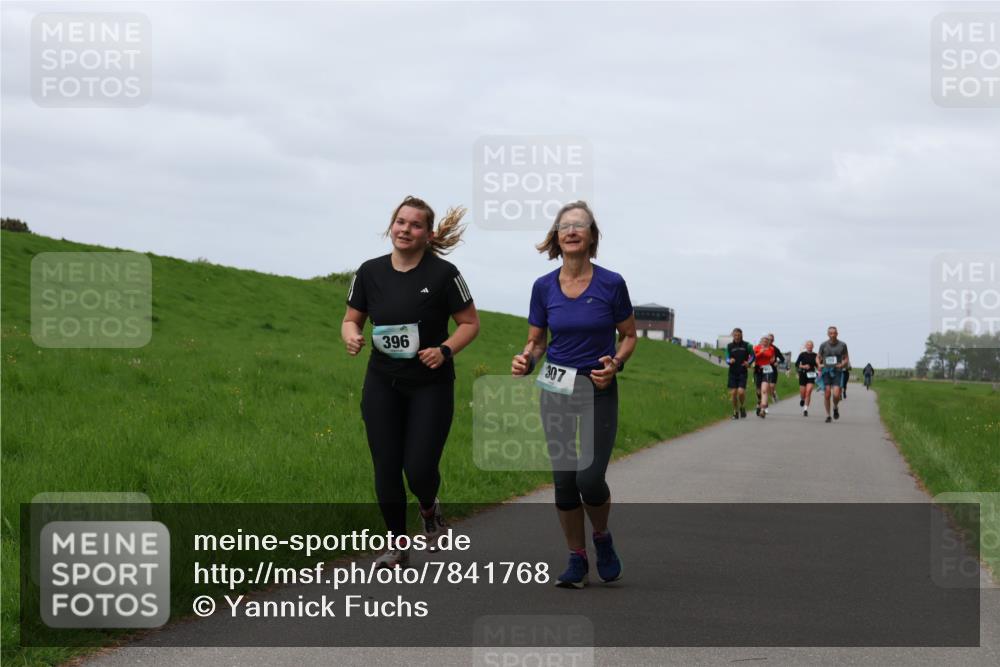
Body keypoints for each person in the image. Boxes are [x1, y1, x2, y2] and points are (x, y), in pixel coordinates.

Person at [342, 196, 480, 568]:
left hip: (429, 385)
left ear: (428, 233)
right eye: (400, 222)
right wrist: (351, 334)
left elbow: (470, 324)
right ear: (392, 226)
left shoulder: (443, 275)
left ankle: (429, 508)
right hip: (382, 381)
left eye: (415, 225)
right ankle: (396, 545)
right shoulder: (370, 272)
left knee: (419, 469)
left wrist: (445, 351)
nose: (405, 229)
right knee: (386, 466)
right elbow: (351, 318)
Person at [511, 201, 637, 589]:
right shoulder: (543, 287)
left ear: (591, 236)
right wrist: (526, 359)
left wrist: (614, 364)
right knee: (565, 481)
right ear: (556, 236)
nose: (571, 231)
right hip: (555, 385)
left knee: (590, 477)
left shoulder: (611, 283)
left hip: (597, 385)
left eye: (579, 225)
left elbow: (629, 335)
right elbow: (536, 341)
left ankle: (602, 537)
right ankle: (577, 558)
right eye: (564, 226)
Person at [818, 326, 850, 423]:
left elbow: (846, 358)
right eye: (830, 333)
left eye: (834, 333)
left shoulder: (843, 345)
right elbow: (818, 356)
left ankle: (835, 407)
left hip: (837, 371)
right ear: (828, 334)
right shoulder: (823, 345)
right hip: (826, 371)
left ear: (837, 334)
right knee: (827, 394)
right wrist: (819, 364)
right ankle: (828, 416)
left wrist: (843, 364)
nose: (832, 335)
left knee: (836, 394)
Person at [725, 328, 755, 419]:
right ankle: (735, 411)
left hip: (742, 372)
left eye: (738, 335)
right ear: (733, 335)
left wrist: (748, 363)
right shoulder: (729, 346)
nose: (737, 337)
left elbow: (753, 356)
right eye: (735, 335)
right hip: (733, 372)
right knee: (733, 393)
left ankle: (742, 407)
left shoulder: (747, 345)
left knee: (741, 392)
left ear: (741, 335)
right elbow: (726, 357)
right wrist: (730, 360)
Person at [753, 336, 778, 418]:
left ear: (768, 342)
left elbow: (772, 357)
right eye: (763, 340)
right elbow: (754, 357)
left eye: (766, 341)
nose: (765, 342)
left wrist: (773, 361)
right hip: (758, 370)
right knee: (758, 391)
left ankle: (763, 410)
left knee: (764, 390)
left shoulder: (771, 349)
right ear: (760, 341)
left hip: (767, 370)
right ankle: (759, 401)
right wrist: (761, 352)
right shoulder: (756, 348)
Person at [795, 340, 819, 416]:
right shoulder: (802, 354)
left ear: (813, 346)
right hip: (803, 374)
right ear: (806, 346)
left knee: (808, 392)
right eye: (808, 345)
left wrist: (819, 369)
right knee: (803, 393)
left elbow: (818, 365)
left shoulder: (816, 355)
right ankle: (802, 399)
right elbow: (796, 364)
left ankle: (805, 409)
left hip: (811, 374)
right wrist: (803, 366)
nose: (809, 346)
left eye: (811, 345)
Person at [766, 333, 785, 403]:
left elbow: (782, 358)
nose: (770, 341)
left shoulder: (775, 349)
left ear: (773, 340)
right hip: (764, 369)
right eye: (768, 339)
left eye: (771, 340)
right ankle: (772, 395)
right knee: (767, 386)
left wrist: (778, 362)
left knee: (771, 385)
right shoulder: (762, 348)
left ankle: (773, 394)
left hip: (773, 369)